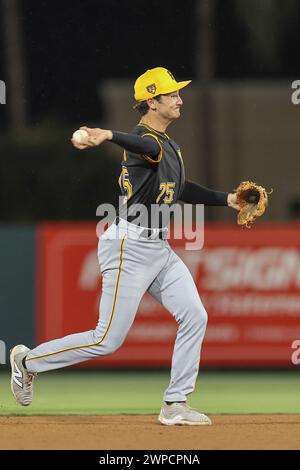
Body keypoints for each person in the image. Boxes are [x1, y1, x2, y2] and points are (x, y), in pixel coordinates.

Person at [10, 67, 239, 426]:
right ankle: (27, 362)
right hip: (127, 247)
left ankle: (175, 403)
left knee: (195, 315)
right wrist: (107, 134)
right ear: (152, 101)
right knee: (106, 340)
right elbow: (141, 145)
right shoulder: (145, 141)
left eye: (179, 93)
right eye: (172, 94)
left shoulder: (169, 145)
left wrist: (228, 200)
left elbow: (180, 189)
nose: (180, 99)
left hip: (159, 250)